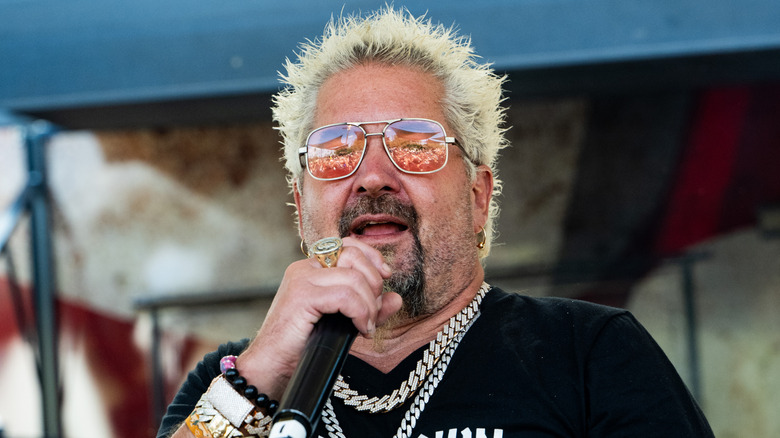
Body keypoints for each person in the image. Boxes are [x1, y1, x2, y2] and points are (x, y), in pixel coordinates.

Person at [158, 7, 714, 438]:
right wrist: (259, 376)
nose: (372, 175)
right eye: (336, 149)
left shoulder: (590, 352)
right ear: (302, 207)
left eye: (415, 145)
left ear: (478, 196)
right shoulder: (228, 379)